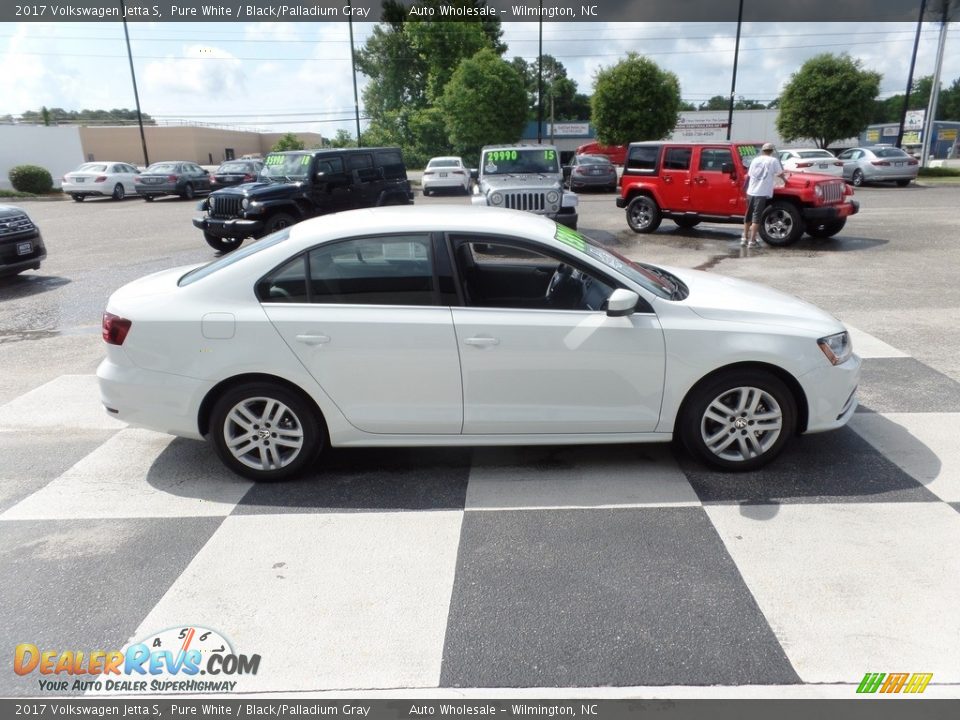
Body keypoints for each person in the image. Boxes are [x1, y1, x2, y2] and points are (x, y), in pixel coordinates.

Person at [742, 142, 786, 247]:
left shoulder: (755, 160)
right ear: (771, 151)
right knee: (756, 217)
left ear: (762, 150)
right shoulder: (773, 160)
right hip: (761, 192)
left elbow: (749, 175)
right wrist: (786, 181)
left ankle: (744, 238)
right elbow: (780, 174)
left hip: (751, 191)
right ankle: (752, 241)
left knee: (748, 215)